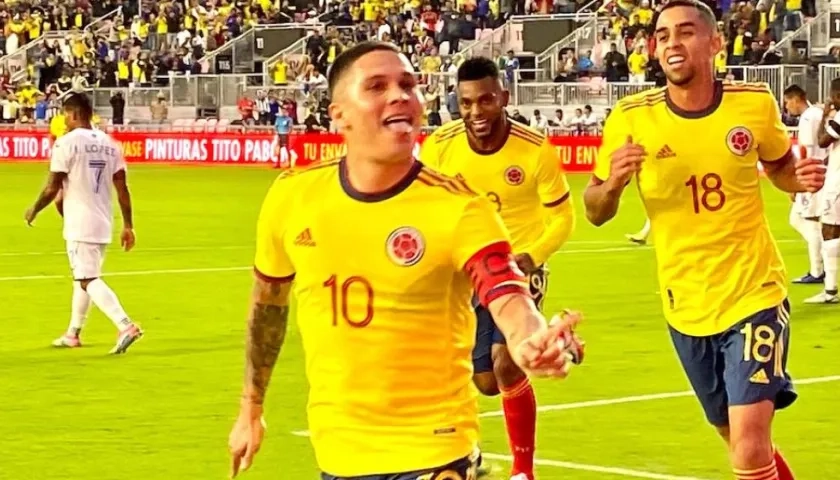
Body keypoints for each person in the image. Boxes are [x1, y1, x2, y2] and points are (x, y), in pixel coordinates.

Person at [227, 41, 585, 480]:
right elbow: (269, 303)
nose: (399, 95)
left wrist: (528, 337)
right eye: (376, 86)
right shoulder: (291, 196)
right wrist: (251, 407)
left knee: (496, 373)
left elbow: (506, 292)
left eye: (408, 85)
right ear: (338, 113)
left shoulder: (462, 208)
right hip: (339, 455)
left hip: (435, 453)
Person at [582, 1, 826, 479]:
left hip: (754, 293)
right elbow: (594, 210)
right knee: (738, 441)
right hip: (685, 305)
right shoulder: (632, 117)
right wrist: (610, 185)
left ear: (715, 43)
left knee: (750, 449)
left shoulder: (753, 103)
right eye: (664, 35)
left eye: (687, 32)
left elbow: (777, 167)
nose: (673, 44)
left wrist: (799, 181)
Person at [420, 57, 578, 480]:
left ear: (503, 98)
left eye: (485, 101)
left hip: (518, 267)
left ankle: (523, 472)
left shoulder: (534, 149)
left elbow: (564, 218)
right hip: (464, 270)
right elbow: (427, 208)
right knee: (486, 381)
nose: (475, 112)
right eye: (466, 102)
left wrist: (532, 255)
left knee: (507, 365)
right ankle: (561, 337)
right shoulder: (440, 146)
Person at [24, 93, 143, 354]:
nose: (64, 120)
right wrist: (128, 225)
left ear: (75, 114)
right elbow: (122, 188)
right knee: (84, 276)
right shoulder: (110, 143)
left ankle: (125, 325)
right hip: (102, 220)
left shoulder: (66, 143)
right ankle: (73, 333)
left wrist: (34, 209)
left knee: (88, 278)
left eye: (66, 114)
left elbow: (52, 187)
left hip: (79, 220)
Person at [781, 85, 828, 285]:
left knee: (808, 222)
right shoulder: (817, 113)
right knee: (801, 220)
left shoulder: (809, 118)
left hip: (812, 174)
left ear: (795, 99)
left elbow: (804, 150)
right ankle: (822, 260)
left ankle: (818, 270)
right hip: (823, 171)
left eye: (786, 102)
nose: (786, 107)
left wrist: (797, 181)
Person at [808, 78, 840, 304]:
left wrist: (824, 116)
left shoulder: (839, 117)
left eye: (832, 95)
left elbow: (822, 140)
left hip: (838, 184)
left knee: (829, 230)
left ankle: (830, 290)